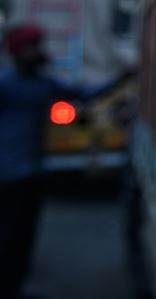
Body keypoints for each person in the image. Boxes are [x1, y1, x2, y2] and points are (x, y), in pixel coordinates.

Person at [0, 24, 128, 298]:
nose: (39, 52)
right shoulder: (6, 86)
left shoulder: (41, 84)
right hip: (8, 176)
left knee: (22, 236)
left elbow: (84, 95)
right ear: (19, 52)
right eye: (33, 47)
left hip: (29, 174)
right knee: (8, 236)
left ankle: (14, 287)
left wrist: (122, 79)